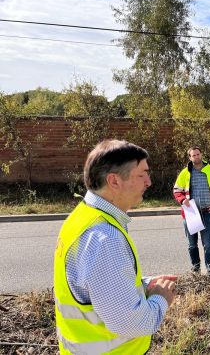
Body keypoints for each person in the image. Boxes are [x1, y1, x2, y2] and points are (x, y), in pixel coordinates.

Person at [54, 139, 178, 354]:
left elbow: (91, 284)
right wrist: (160, 298)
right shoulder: (104, 237)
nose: (149, 182)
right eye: (142, 174)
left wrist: (143, 284)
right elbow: (130, 324)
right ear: (114, 181)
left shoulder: (84, 217)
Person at [173, 146, 210, 274]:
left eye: (198, 154)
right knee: (192, 244)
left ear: (201, 155)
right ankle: (196, 268)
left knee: (208, 244)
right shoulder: (185, 172)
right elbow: (177, 190)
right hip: (191, 212)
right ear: (190, 157)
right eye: (193, 155)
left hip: (206, 212)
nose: (196, 157)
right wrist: (182, 200)